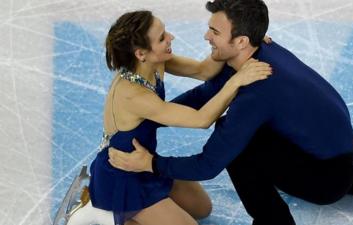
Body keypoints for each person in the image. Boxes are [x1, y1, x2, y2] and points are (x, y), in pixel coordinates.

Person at [108, 0, 353, 225]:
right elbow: (208, 91)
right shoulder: (259, 53)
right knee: (248, 131)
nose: (206, 36)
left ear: (241, 41)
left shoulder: (256, 90)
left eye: (215, 31)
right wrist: (157, 118)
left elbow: (208, 165)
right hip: (342, 152)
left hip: (326, 178)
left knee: (238, 145)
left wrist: (153, 164)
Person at [60, 10, 272, 225]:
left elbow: (203, 70)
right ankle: (101, 211)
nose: (171, 37)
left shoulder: (156, 62)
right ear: (141, 53)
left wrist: (241, 42)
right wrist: (236, 81)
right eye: (162, 38)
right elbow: (201, 119)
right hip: (122, 175)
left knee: (203, 208)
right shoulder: (133, 96)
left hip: (144, 161)